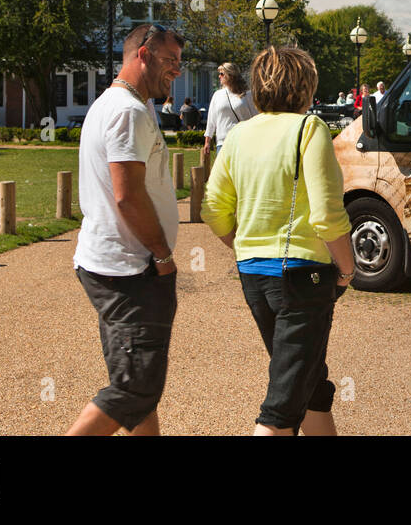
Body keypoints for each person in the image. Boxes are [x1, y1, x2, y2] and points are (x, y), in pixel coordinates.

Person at [201, 46, 356, 436]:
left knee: (308, 383)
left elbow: (213, 207)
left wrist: (243, 244)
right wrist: (348, 267)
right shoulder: (309, 129)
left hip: (254, 275)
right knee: (281, 405)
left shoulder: (238, 135)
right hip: (303, 275)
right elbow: (326, 212)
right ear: (305, 86)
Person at [67, 23, 184, 436]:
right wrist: (162, 255)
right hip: (129, 269)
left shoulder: (134, 105)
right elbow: (126, 195)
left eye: (179, 63)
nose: (176, 71)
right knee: (136, 387)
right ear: (142, 55)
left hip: (125, 264)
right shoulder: (126, 110)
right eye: (170, 61)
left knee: (138, 383)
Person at [203, 62, 257, 157]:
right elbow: (211, 120)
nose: (219, 76)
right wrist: (207, 141)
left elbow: (256, 117)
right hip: (223, 143)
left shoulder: (247, 94)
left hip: (243, 141)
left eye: (222, 74)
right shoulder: (217, 95)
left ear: (230, 75)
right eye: (219, 74)